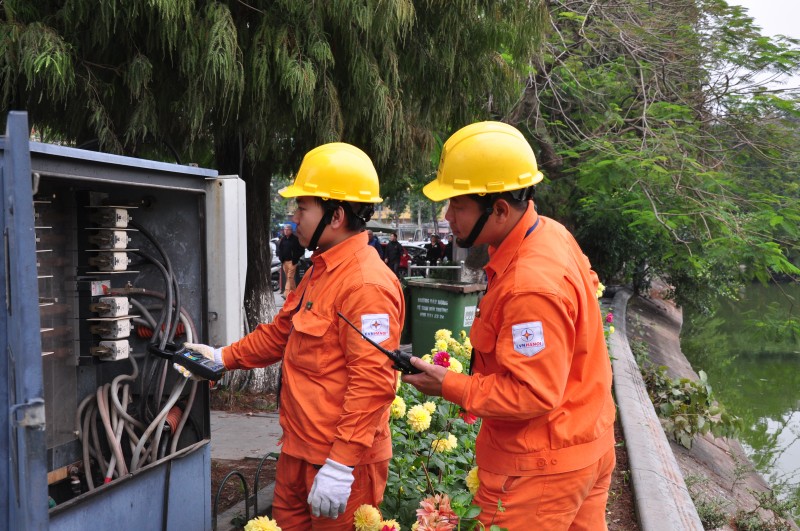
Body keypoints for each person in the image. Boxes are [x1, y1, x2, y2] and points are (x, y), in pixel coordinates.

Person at [179, 143, 405, 530]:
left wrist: (340, 464)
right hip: (299, 453)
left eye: (302, 207)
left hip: (340, 466)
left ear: (335, 215)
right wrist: (220, 358)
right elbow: (279, 335)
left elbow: (372, 383)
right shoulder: (321, 269)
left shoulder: (366, 284)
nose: (294, 216)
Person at [403, 121, 615, 530]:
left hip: (538, 470)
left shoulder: (528, 285)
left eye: (458, 206)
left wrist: (448, 384)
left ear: (499, 208)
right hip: (585, 447)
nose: (448, 217)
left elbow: (532, 392)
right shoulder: (551, 235)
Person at [277, 224, 304, 295]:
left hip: (292, 262)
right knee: (289, 278)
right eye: (285, 229)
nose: (286, 231)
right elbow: (280, 250)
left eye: (287, 229)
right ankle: (295, 293)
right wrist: (281, 258)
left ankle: (286, 294)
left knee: (290, 277)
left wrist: (295, 258)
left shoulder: (295, 239)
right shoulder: (283, 239)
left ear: (291, 230)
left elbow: (301, 250)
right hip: (284, 262)